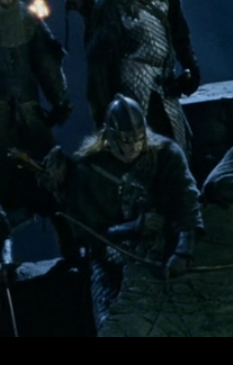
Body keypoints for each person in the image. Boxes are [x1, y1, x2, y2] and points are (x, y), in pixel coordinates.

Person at [70, 0, 200, 157]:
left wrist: (191, 67)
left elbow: (180, 34)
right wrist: (103, 112)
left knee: (178, 147)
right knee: (140, 149)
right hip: (133, 84)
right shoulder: (111, 3)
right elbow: (98, 63)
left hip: (165, 82)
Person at [49, 95, 203, 280]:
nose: (134, 147)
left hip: (165, 242)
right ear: (110, 137)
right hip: (114, 253)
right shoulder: (88, 170)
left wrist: (183, 251)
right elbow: (88, 233)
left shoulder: (167, 154)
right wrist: (134, 226)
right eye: (126, 140)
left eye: (139, 138)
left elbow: (187, 201)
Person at [0, 0, 71, 226]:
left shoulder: (28, 20)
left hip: (29, 113)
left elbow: (45, 64)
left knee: (50, 178)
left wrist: (60, 100)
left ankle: (68, 239)